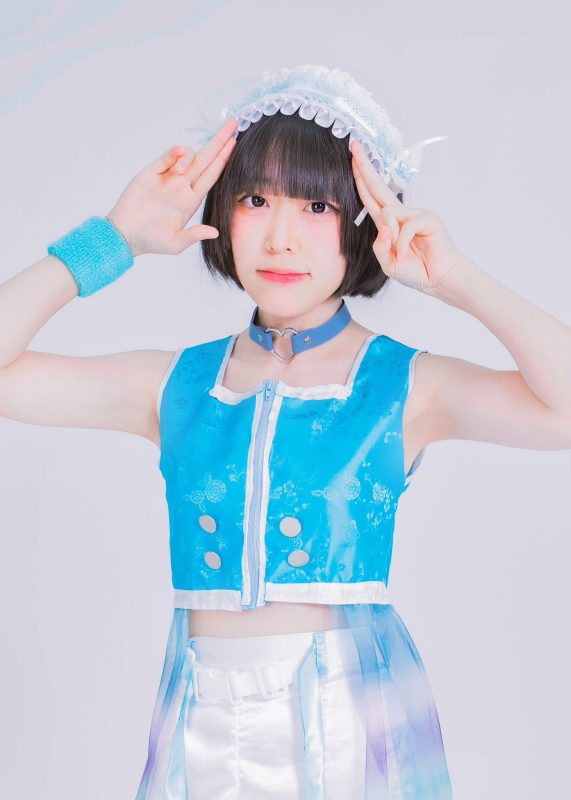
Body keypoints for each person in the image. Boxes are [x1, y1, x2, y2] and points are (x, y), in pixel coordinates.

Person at [1, 64, 569, 799]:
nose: (279, 238)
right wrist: (113, 240)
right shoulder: (175, 385)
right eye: (255, 200)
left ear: (365, 222)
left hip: (347, 720)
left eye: (316, 207)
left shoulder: (402, 385)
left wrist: (457, 279)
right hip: (200, 717)